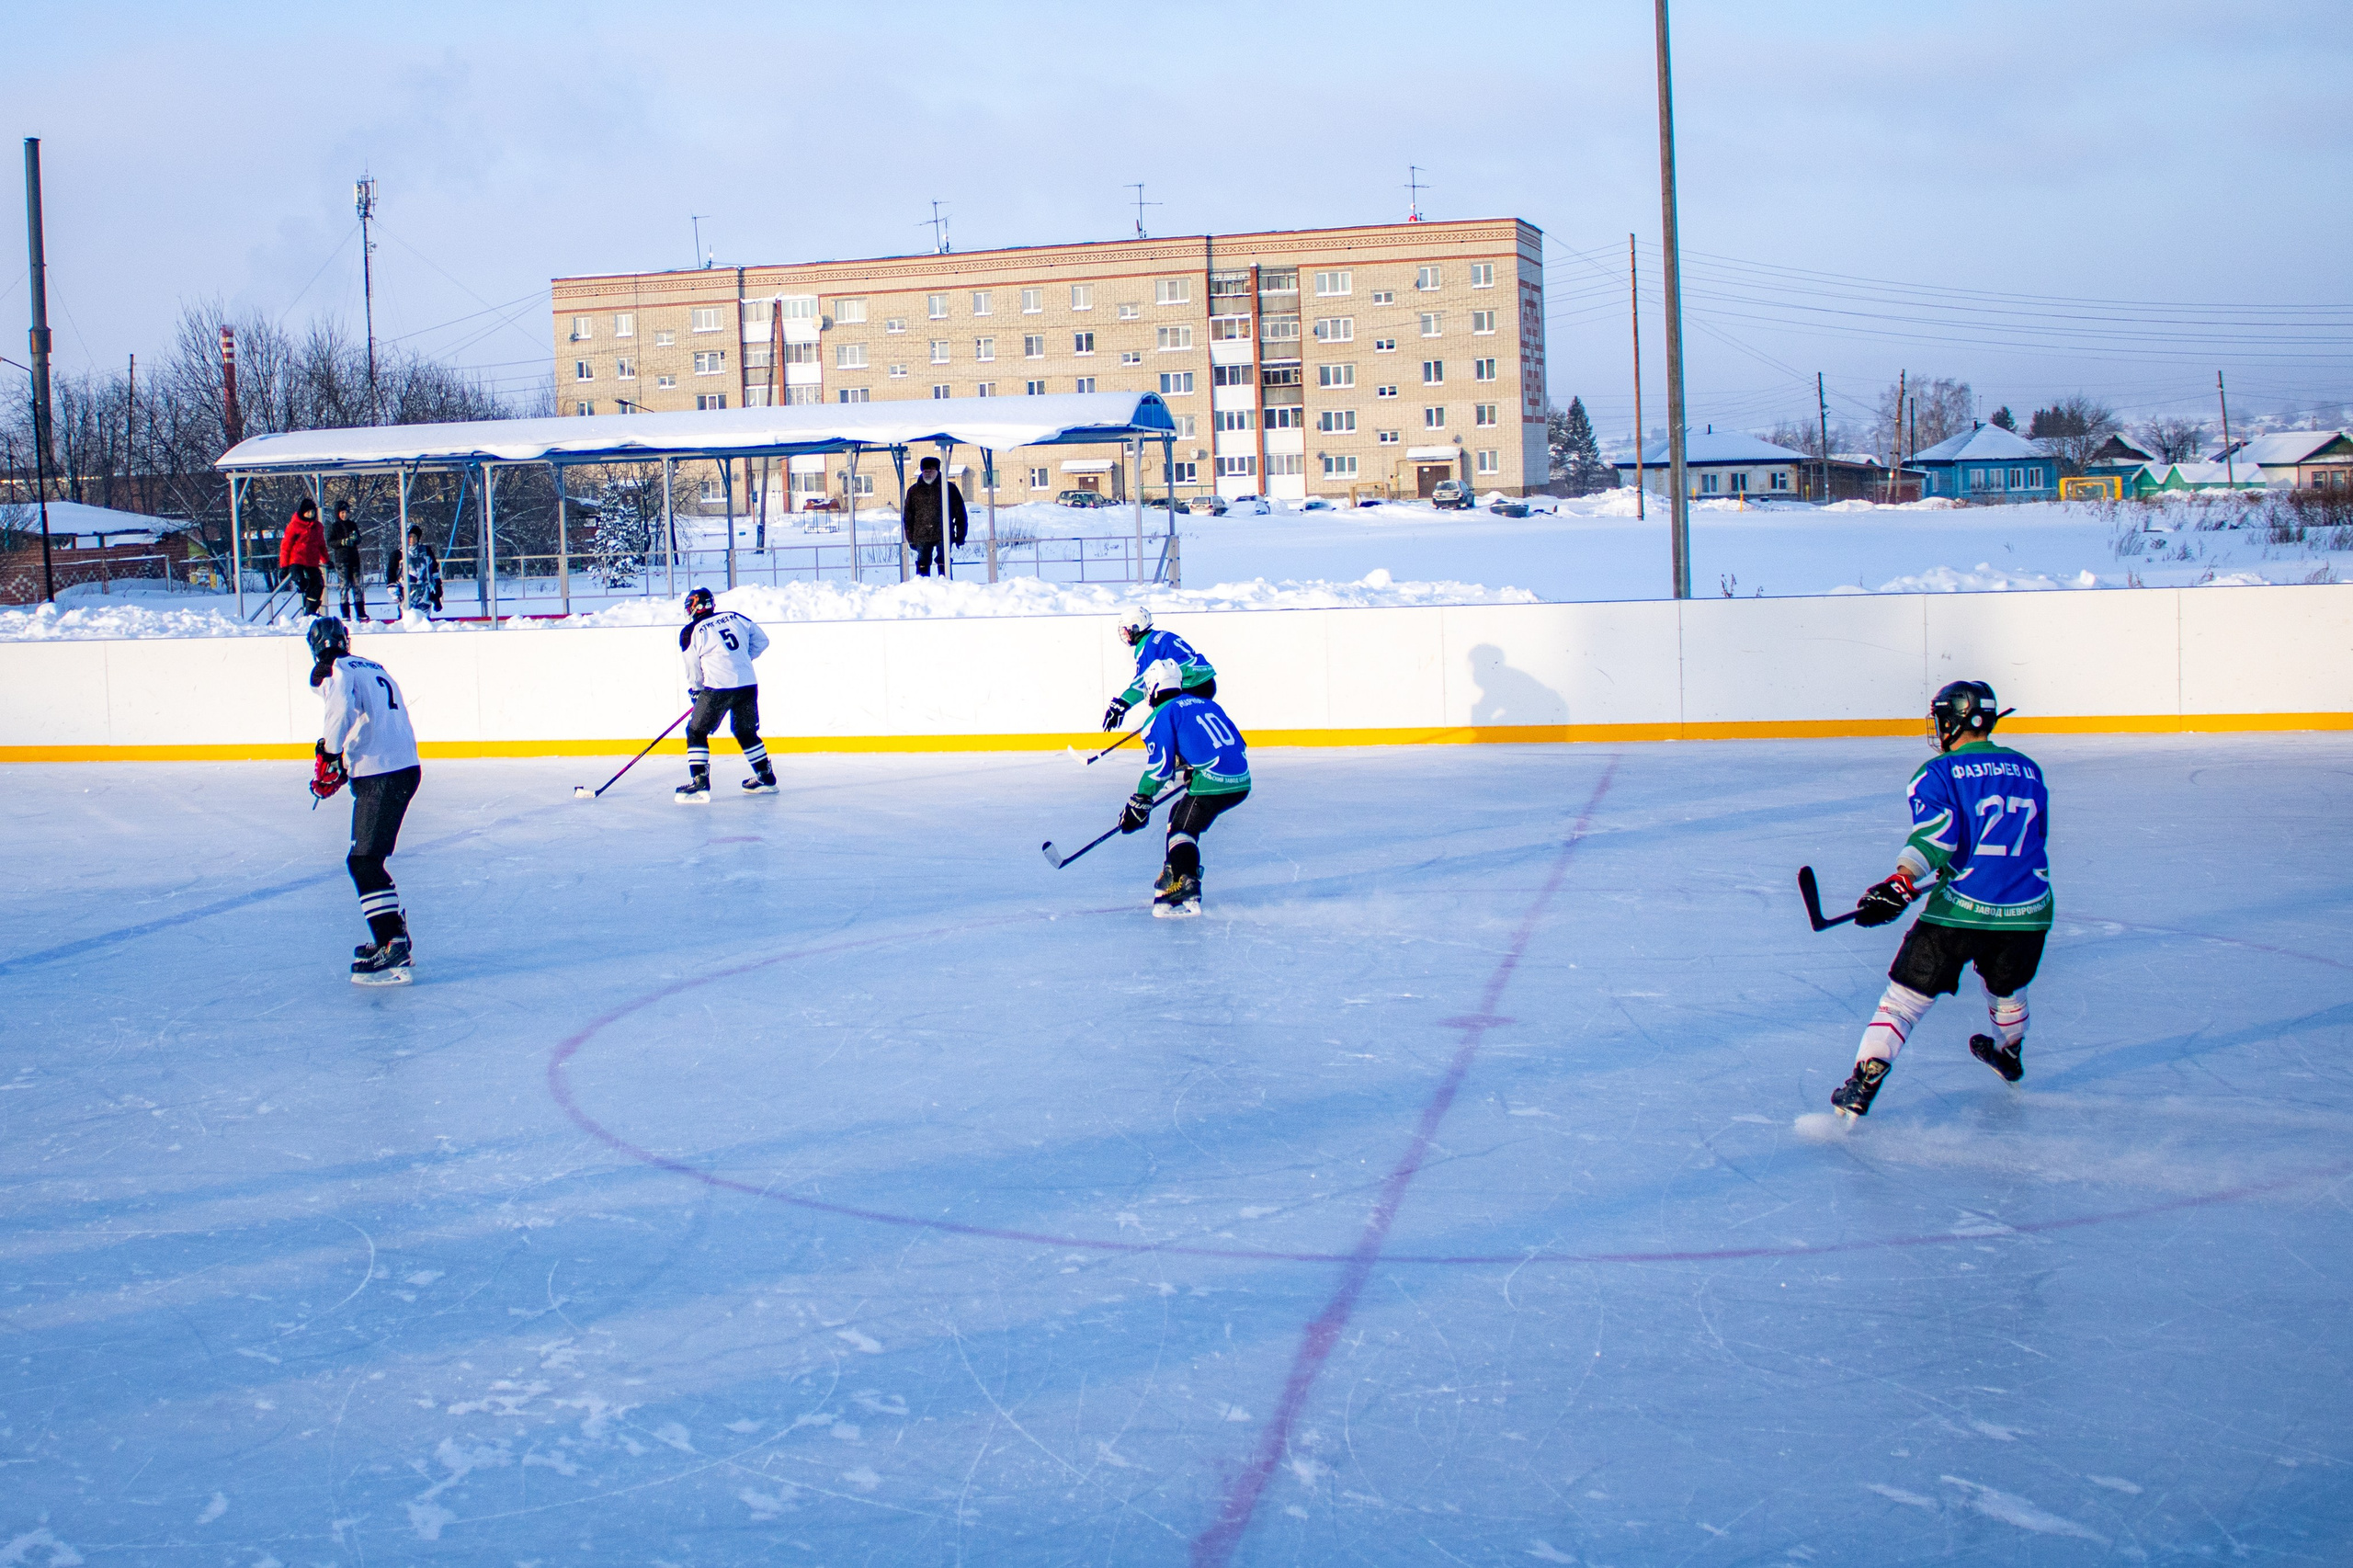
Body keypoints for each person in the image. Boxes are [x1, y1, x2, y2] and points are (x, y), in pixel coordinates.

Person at [1832, 680, 2052, 1118]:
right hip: (2029, 910)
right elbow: (2030, 839)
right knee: (2007, 988)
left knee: (1903, 1000)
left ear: (1953, 720)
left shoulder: (1938, 773)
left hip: (1960, 911)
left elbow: (1937, 838)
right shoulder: (2029, 769)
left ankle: (1865, 1078)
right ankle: (2009, 1053)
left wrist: (1901, 881)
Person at [306, 617, 422, 984]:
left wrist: (328, 756)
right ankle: (392, 938)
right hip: (401, 766)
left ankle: (391, 942)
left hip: (382, 772)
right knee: (369, 860)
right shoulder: (373, 666)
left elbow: (340, 711)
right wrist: (343, 762)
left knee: (363, 862)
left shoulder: (338, 668)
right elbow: (373, 719)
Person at [1119, 657, 1251, 917]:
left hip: (1214, 780)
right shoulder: (1206, 703)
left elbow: (1160, 767)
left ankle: (1187, 882)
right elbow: (1236, 743)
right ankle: (1174, 869)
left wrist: (1139, 801)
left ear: (1153, 689)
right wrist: (1192, 768)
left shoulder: (1161, 715)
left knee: (1182, 829)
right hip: (1242, 778)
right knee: (1179, 812)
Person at [676, 585, 774, 802]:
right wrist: (740, 660)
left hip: (717, 688)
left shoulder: (691, 631)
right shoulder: (735, 617)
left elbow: (692, 668)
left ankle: (700, 781)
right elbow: (762, 641)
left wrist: (696, 690)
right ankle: (766, 777)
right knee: (745, 731)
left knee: (696, 731)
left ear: (694, 606)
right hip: (747, 684)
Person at [1100, 606, 1216, 731]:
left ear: (1136, 627)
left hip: (1192, 686)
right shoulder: (1162, 634)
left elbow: (1141, 683)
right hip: (1206, 681)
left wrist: (1122, 704)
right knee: (1188, 723)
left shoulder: (1146, 647)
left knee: (1167, 718)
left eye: (1126, 630)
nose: (1125, 634)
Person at [901, 456, 967, 578]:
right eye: (925, 471)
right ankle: (922, 589)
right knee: (922, 564)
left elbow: (960, 514)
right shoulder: (914, 491)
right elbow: (908, 516)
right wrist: (910, 537)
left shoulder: (949, 489)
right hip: (921, 535)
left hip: (944, 533)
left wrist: (960, 535)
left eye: (930, 470)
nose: (927, 473)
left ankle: (946, 586)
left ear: (937, 471)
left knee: (944, 562)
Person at [279, 496, 327, 617]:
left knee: (318, 585)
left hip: (312, 562)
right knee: (302, 582)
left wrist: (326, 560)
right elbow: (286, 547)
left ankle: (310, 612)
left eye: (312, 512)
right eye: (308, 512)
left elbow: (321, 545)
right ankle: (302, 591)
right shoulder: (294, 526)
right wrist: (284, 566)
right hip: (297, 560)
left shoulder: (318, 527)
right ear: (303, 512)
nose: (311, 514)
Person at [326, 500, 367, 621]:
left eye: (346, 512)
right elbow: (330, 542)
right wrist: (342, 542)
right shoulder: (334, 526)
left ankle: (360, 612)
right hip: (342, 560)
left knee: (357, 586)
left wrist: (356, 539)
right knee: (344, 587)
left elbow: (359, 539)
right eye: (342, 512)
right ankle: (345, 614)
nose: (344, 515)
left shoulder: (352, 524)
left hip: (354, 559)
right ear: (338, 513)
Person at [392, 525, 441, 619]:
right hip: (406, 592)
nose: (412, 539)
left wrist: (437, 592)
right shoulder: (398, 554)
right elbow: (391, 574)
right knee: (407, 618)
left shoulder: (426, 551)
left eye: (415, 537)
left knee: (424, 620)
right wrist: (394, 592)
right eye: (410, 536)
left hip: (424, 591)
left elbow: (434, 570)